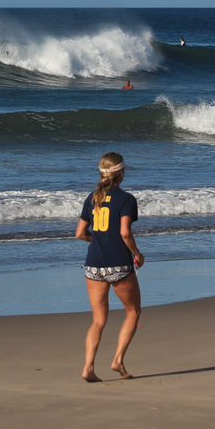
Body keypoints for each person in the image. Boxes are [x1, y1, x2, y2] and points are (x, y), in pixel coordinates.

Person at [75, 152, 144, 383]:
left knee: (98, 320)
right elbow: (125, 232)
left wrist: (98, 240)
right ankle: (117, 360)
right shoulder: (127, 200)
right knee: (133, 312)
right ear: (120, 175)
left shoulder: (92, 198)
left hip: (94, 265)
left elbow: (80, 234)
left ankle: (88, 367)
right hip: (119, 265)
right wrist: (137, 254)